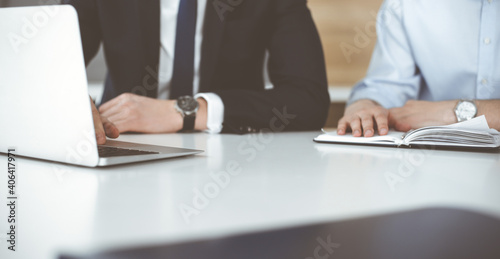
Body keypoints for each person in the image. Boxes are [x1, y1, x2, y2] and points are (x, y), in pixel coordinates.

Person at [64, 0, 330, 144]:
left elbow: (308, 98)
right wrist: (72, 101)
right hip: (120, 141)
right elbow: (51, 65)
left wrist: (187, 112)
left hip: (229, 153)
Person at [338, 0, 500, 137]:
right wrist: (367, 104)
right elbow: (388, 85)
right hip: (432, 155)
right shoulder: (405, 4)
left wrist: (453, 113)